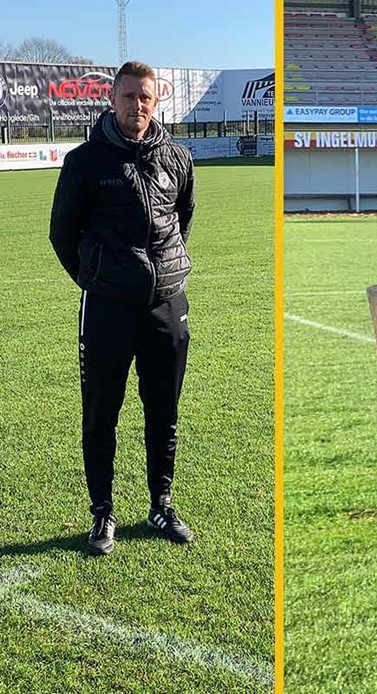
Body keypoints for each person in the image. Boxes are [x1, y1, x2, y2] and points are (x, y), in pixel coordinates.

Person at [50, 61, 196, 555]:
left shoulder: (177, 157)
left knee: (164, 410)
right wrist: (97, 279)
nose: (138, 105)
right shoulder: (85, 162)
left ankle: (161, 503)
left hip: (166, 305)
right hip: (108, 307)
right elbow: (62, 234)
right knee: (101, 412)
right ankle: (102, 514)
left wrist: (162, 275)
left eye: (146, 98)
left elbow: (183, 220)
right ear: (112, 100)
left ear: (157, 103)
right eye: (129, 96)